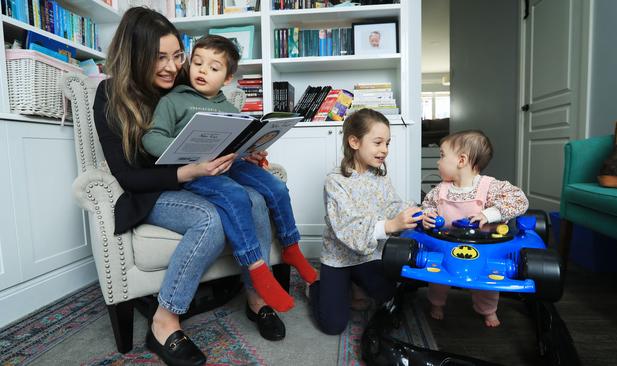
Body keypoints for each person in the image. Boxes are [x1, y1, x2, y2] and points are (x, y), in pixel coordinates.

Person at [94, 8, 283, 366]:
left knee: (256, 198)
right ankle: (164, 322)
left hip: (204, 180)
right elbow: (128, 176)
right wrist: (188, 172)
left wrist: (245, 153)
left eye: (177, 55)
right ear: (136, 56)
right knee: (209, 219)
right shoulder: (110, 95)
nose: (171, 66)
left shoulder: (191, 84)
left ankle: (256, 297)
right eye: (159, 57)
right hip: (152, 190)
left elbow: (218, 139)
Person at [142, 35, 317, 314]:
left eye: (213, 68)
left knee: (276, 187)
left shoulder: (230, 108)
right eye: (197, 63)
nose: (202, 71)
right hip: (198, 170)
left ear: (226, 78)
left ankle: (291, 246)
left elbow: (236, 147)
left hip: (232, 163)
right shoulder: (173, 101)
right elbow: (151, 139)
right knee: (236, 195)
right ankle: (256, 266)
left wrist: (251, 151)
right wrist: (181, 151)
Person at [308, 108, 422, 335]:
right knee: (333, 326)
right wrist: (390, 226)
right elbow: (347, 227)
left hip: (368, 256)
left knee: (392, 294)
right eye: (378, 142)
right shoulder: (335, 181)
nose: (385, 150)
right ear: (354, 142)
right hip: (339, 259)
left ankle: (357, 284)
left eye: (387, 143)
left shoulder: (379, 176)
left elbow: (391, 205)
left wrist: (414, 213)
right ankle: (317, 288)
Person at [420, 130, 529, 327]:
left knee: (486, 281)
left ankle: (488, 311)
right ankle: (437, 304)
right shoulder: (441, 189)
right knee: (436, 276)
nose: (438, 162)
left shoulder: (489, 186)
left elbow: (520, 200)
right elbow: (427, 205)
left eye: (442, 156)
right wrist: (429, 215)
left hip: (484, 248)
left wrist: (489, 214)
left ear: (461, 160)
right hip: (446, 246)